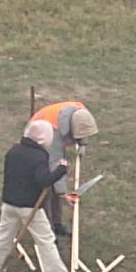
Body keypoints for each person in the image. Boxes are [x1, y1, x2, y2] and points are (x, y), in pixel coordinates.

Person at [0, 120, 74, 272]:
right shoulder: (39, 156)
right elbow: (43, 181)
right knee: (46, 239)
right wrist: (61, 170)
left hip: (10, 202)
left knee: (3, 235)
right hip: (30, 205)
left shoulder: (13, 150)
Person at [30, 100, 99, 235]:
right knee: (47, 188)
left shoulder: (80, 112)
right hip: (37, 139)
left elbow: (82, 128)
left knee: (56, 190)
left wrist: (82, 143)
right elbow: (55, 164)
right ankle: (48, 230)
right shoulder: (52, 132)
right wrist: (63, 193)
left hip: (53, 136)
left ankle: (57, 223)